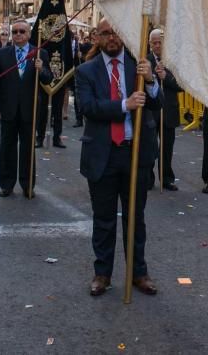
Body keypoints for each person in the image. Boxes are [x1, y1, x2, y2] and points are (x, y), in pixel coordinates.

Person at [75, 18, 161, 297]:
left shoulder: (139, 65)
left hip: (136, 153)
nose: (111, 37)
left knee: (136, 217)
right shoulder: (86, 71)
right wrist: (125, 104)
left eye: (116, 32)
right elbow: (87, 108)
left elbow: (158, 103)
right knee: (104, 219)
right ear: (97, 38)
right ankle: (102, 273)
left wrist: (150, 82)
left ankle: (139, 272)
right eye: (105, 33)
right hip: (103, 154)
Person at [0, 19, 52, 198]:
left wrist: (42, 69)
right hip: (8, 109)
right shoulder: (2, 54)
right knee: (7, 147)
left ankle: (27, 184)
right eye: (15, 31)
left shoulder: (40, 53)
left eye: (22, 31)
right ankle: (7, 184)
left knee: (27, 148)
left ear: (29, 34)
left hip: (29, 109)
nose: (18, 35)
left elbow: (48, 80)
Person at [148, 28, 181, 191]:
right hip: (151, 111)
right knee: (150, 146)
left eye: (160, 42)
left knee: (167, 147)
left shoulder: (173, 61)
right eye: (154, 43)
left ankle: (166, 178)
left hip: (169, 110)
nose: (157, 46)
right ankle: (148, 177)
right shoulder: (146, 60)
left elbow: (180, 85)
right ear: (150, 44)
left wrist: (165, 77)